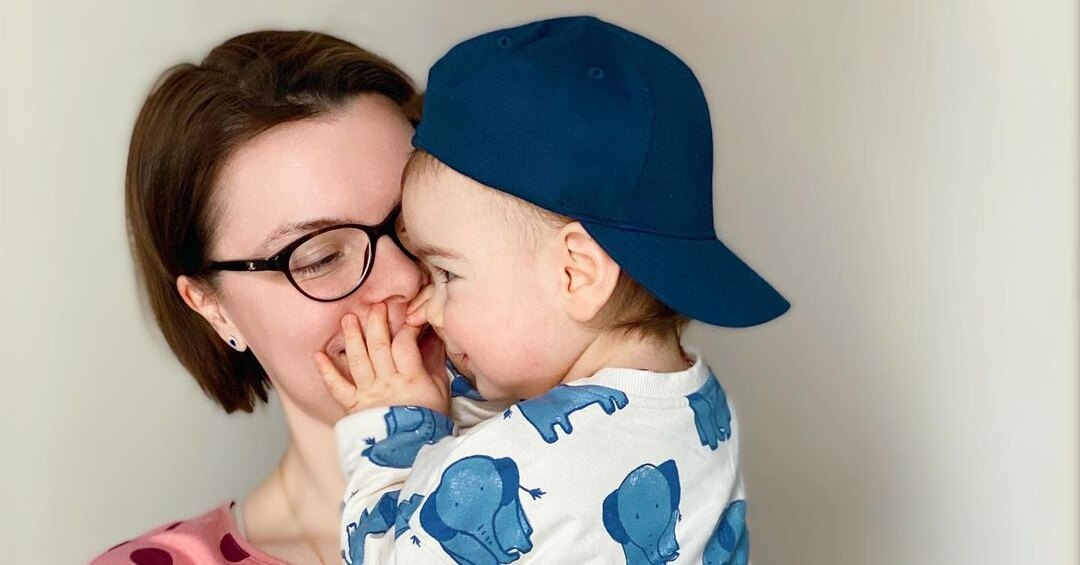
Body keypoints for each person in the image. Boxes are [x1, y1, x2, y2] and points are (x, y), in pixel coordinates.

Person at [315, 15, 790, 565]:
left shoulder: (537, 466)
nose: (425, 306)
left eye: (446, 274)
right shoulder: (699, 404)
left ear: (575, 273)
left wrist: (395, 433)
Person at [93, 30, 511, 565]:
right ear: (212, 308)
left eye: (415, 220)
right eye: (320, 258)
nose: (405, 278)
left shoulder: (602, 475)